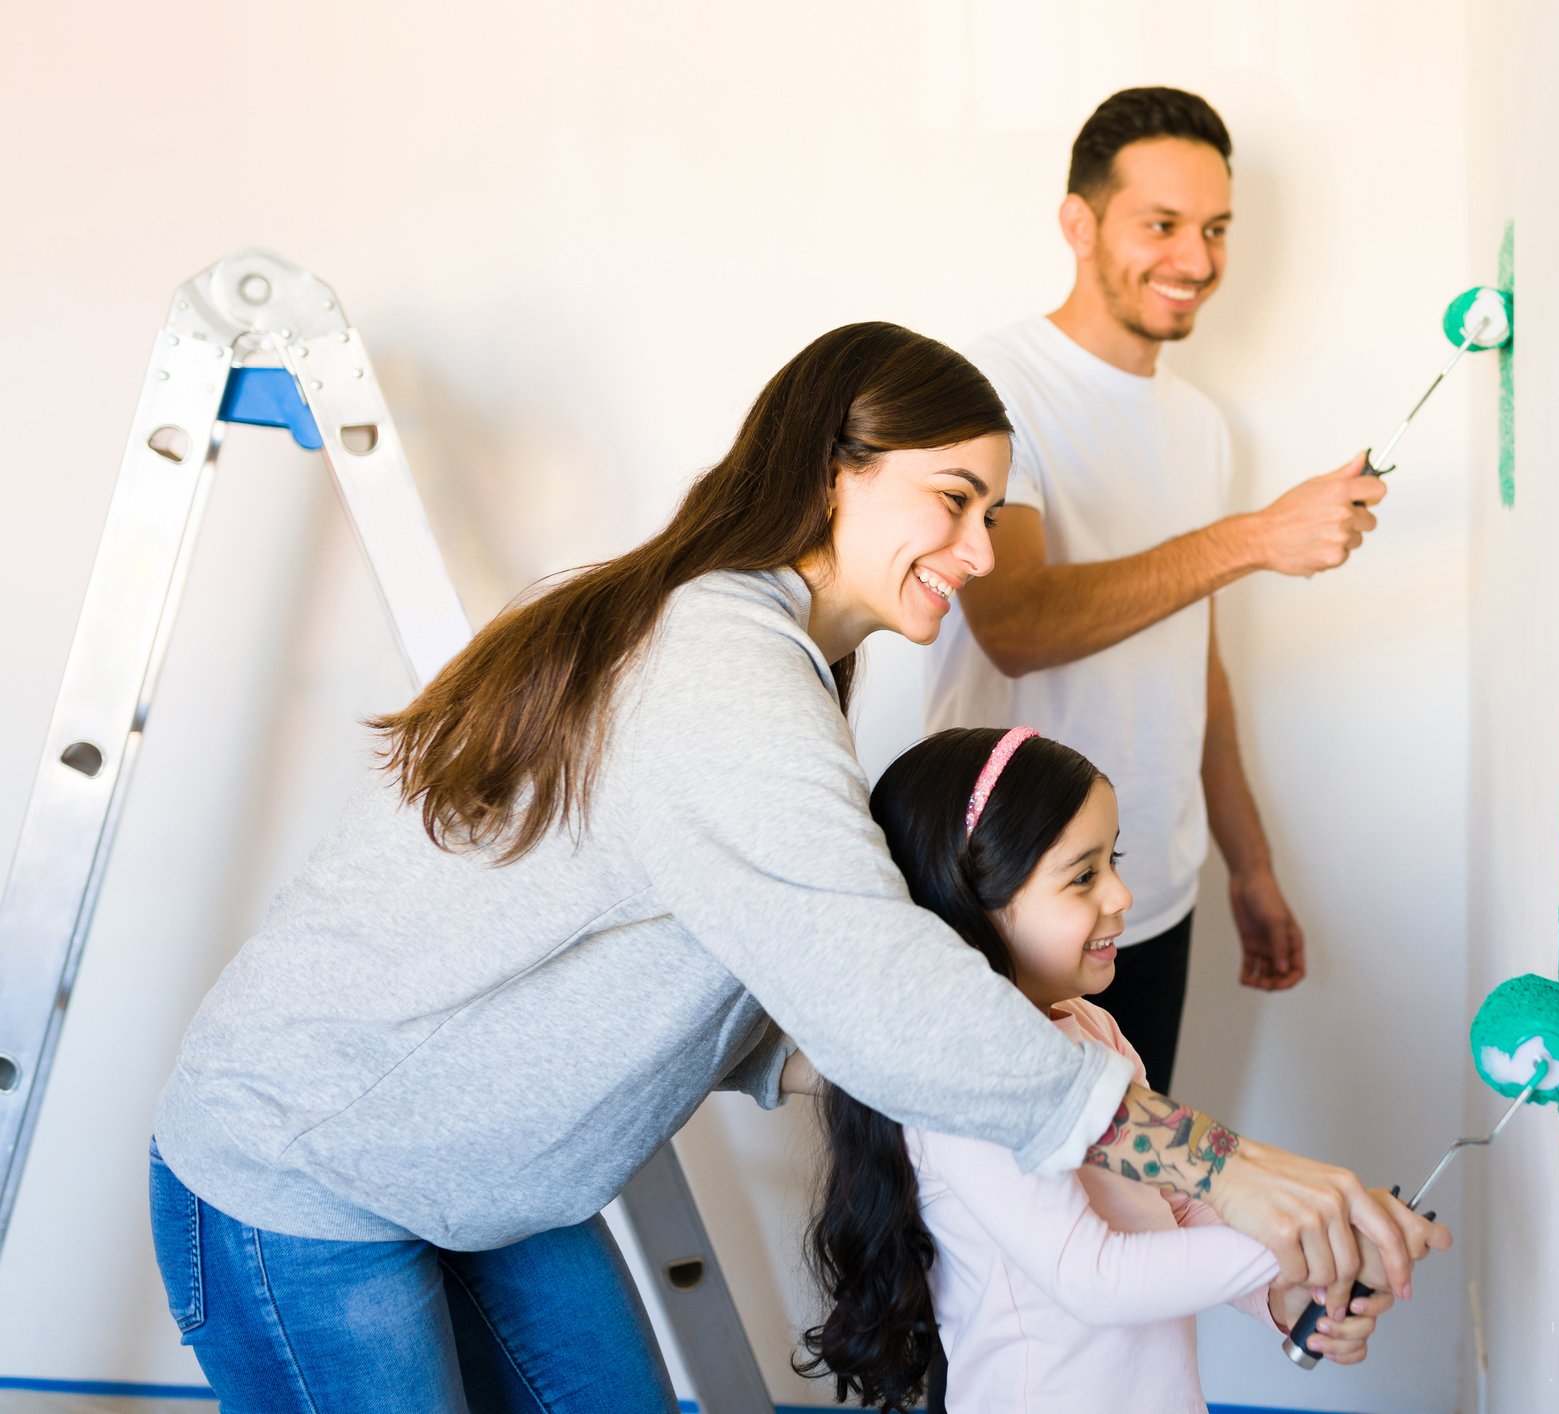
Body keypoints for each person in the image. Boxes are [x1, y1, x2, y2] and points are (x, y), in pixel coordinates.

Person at [146, 323, 1425, 1412]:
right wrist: (1226, 1170)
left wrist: (1022, 1075)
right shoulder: (721, 670)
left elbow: (794, 985)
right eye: (952, 500)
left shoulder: (781, 665)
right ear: (831, 475)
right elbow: (873, 984)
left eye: (990, 511)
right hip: (304, 1174)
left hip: (491, 1182)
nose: (980, 551)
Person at [928, 88, 1389, 1091]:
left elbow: (1194, 661)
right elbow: (1015, 621)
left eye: (1216, 228)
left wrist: (1248, 863)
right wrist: (1254, 536)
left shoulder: (1199, 426)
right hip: (1011, 893)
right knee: (1016, 1187)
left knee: (1141, 1176)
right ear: (1079, 223)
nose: (1195, 260)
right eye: (1162, 224)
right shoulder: (991, 388)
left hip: (1150, 896)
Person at [797, 727, 1444, 1414]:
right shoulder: (959, 1090)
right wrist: (1312, 1240)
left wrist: (1281, 1292)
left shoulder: (1094, 1029)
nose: (1122, 895)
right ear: (969, 905)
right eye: (1084, 876)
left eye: (1114, 860)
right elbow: (1093, 1276)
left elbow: (1181, 1204)